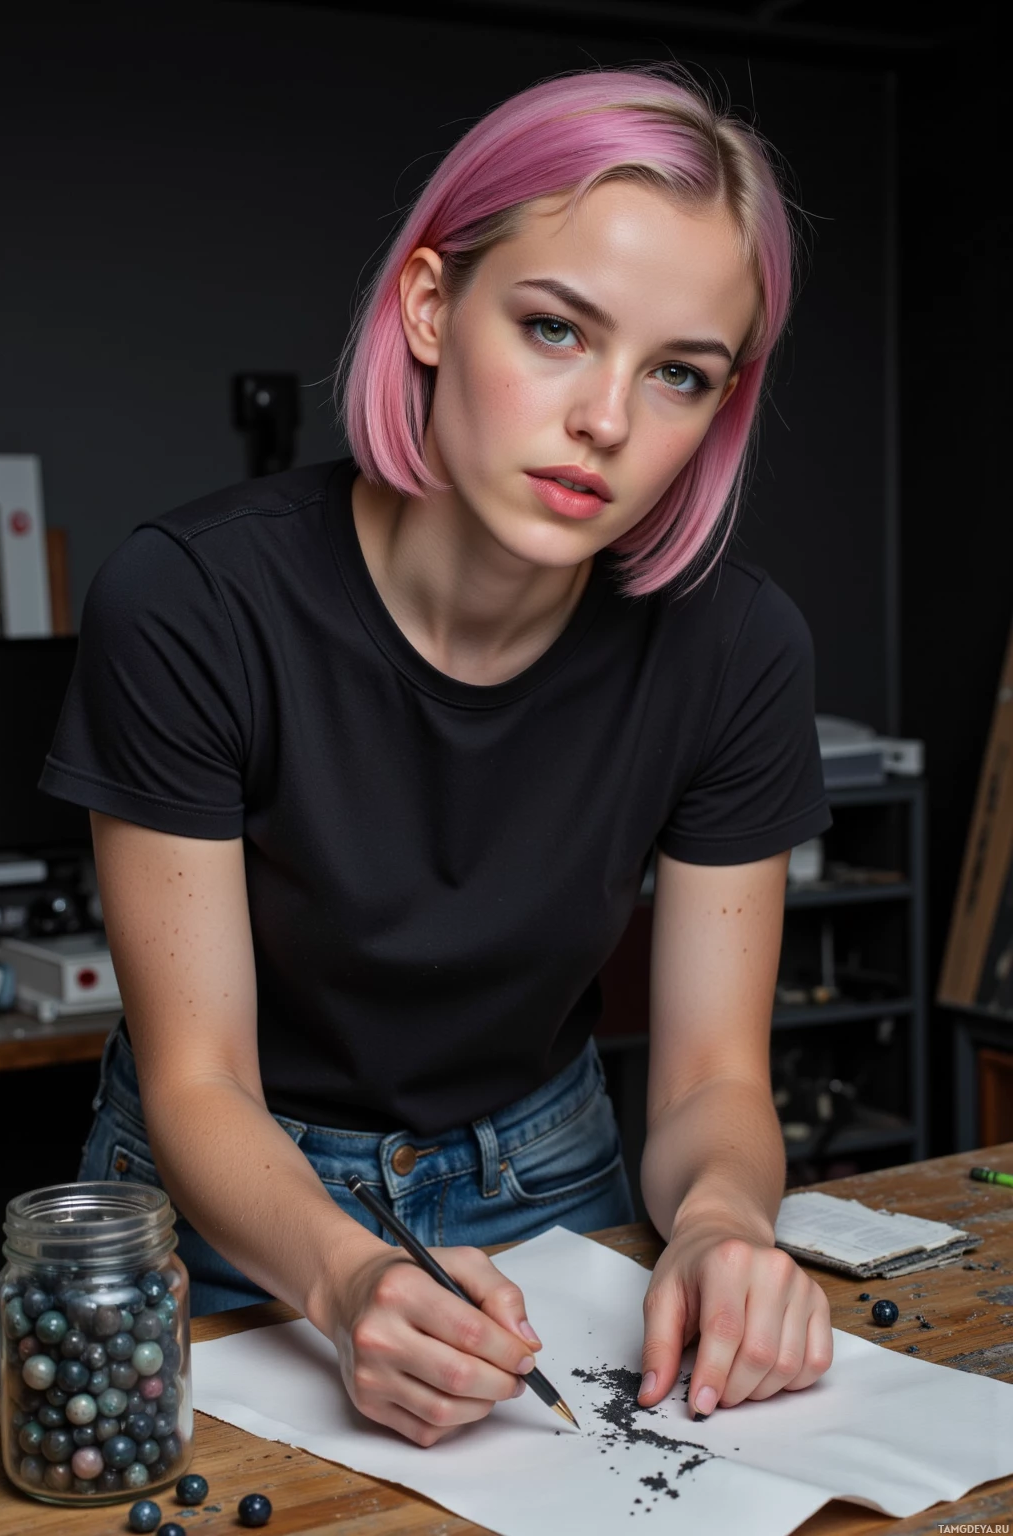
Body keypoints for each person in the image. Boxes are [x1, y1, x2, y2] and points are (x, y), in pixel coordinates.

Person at [41, 62, 835, 1448]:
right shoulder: (189, 602)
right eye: (552, 329)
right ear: (427, 305)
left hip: (554, 1179)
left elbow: (712, 1078)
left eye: (678, 375)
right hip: (237, 1201)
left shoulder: (735, 650)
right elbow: (199, 1080)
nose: (606, 420)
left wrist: (718, 1225)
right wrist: (350, 1281)